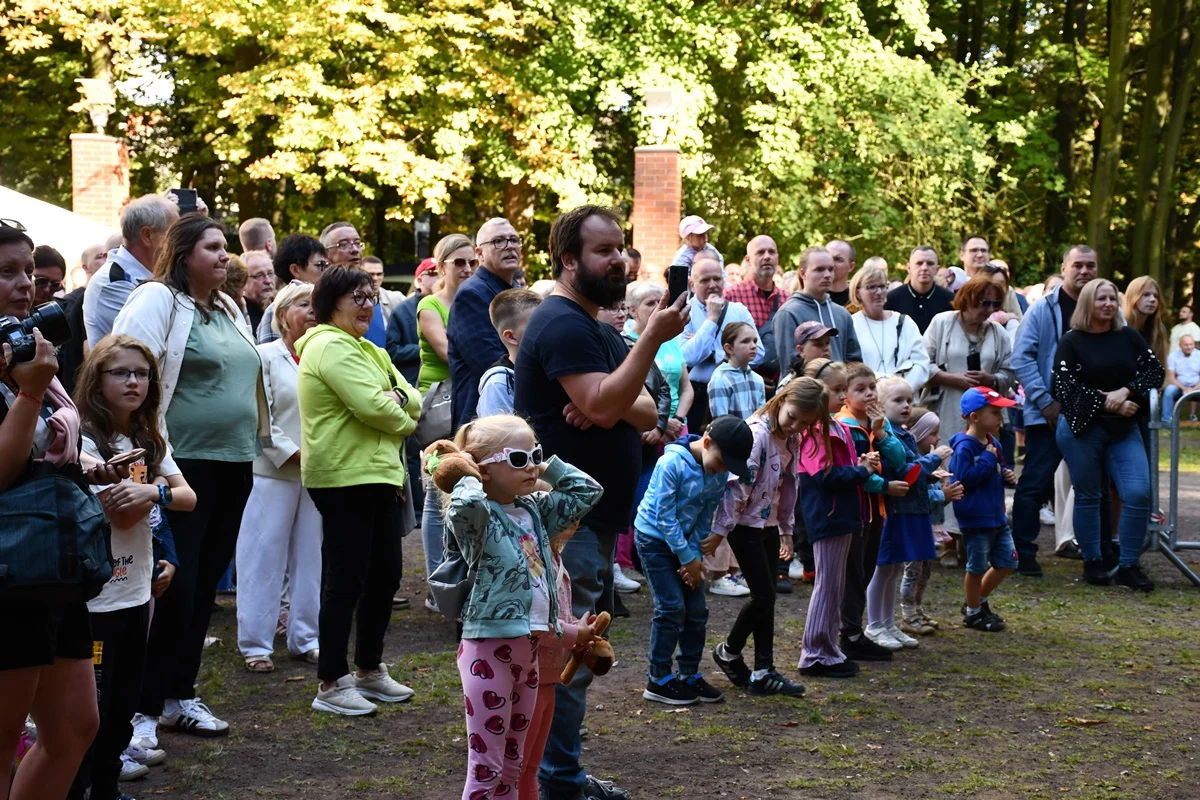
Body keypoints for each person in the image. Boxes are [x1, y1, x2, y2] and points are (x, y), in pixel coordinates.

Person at [515, 205, 688, 800]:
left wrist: (611, 398)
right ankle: (559, 780)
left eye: (620, 248)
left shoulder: (594, 327)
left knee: (578, 652)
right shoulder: (564, 324)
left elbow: (647, 407)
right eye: (602, 251)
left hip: (594, 522)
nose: (617, 259)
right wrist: (645, 346)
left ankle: (556, 773)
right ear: (569, 260)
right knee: (571, 654)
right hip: (571, 523)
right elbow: (611, 405)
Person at [112, 214, 267, 746]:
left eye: (225, 248)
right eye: (212, 247)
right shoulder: (157, 299)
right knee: (172, 586)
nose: (225, 256)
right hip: (180, 466)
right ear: (182, 254)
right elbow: (126, 368)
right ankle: (142, 714)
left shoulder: (228, 305)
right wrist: (150, 456)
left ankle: (180, 695)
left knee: (203, 589)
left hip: (234, 462)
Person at [0, 223, 123, 800]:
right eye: (7, 274)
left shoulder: (26, 350)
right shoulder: (27, 371)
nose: (25, 285)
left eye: (27, 271)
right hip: (9, 571)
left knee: (76, 726)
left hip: (53, 567)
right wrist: (28, 393)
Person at [426, 416, 603, 800]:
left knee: (513, 763)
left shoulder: (534, 511)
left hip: (531, 655)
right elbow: (465, 504)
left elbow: (587, 491)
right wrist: (465, 473)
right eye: (519, 458)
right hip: (488, 653)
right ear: (483, 467)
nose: (533, 466)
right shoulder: (477, 518)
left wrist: (547, 464)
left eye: (534, 454)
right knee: (486, 766)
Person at [67, 335, 196, 799]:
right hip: (95, 597)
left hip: (139, 589)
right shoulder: (80, 437)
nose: (134, 382)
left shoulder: (146, 436)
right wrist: (154, 487)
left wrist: (154, 490)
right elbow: (119, 512)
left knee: (123, 703)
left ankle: (106, 790)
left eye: (142, 374)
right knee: (90, 711)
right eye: (120, 372)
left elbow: (187, 497)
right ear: (96, 380)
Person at [294, 265, 420, 715]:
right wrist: (401, 415)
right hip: (344, 476)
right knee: (346, 579)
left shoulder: (370, 349)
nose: (368, 303)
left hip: (381, 474)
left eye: (371, 295)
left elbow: (411, 395)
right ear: (331, 304)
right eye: (357, 297)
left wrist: (398, 405)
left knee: (385, 576)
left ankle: (369, 670)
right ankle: (331, 681)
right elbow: (378, 408)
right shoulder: (329, 345)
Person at [1051, 279, 1163, 592]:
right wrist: (1110, 402)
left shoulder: (1129, 337)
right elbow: (1063, 386)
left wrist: (1126, 391)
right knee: (1089, 494)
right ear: (1088, 303)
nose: (1108, 304)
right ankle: (1093, 561)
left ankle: (1128, 564)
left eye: (1112, 299)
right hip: (1081, 429)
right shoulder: (1071, 341)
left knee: (1138, 492)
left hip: (1123, 429)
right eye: (1101, 299)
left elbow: (1154, 372)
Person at [635, 415, 753, 705]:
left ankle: (689, 673)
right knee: (671, 607)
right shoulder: (671, 463)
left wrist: (695, 556)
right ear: (708, 442)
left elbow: (705, 514)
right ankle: (658, 678)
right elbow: (664, 517)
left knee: (696, 610)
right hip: (655, 540)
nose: (723, 470)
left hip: (686, 545)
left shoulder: (719, 474)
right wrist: (687, 558)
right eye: (723, 462)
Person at [236, 282, 322, 672]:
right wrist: (292, 452)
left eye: (316, 304)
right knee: (262, 556)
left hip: (320, 471)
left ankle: (306, 637)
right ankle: (256, 644)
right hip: (274, 470)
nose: (312, 311)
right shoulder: (264, 355)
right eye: (303, 304)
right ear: (282, 313)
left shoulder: (323, 354)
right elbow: (259, 415)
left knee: (311, 556)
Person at [710, 385, 816, 697]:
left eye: (806, 423)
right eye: (793, 417)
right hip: (745, 525)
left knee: (767, 598)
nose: (796, 426)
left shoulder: (792, 438)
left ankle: (763, 669)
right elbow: (738, 484)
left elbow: (788, 486)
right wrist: (721, 530)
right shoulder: (758, 434)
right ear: (781, 401)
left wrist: (786, 528)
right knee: (764, 596)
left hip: (768, 524)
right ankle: (728, 652)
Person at [1010, 245, 1100, 575]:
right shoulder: (1043, 309)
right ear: (1064, 268)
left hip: (1093, 414)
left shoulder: (1104, 308)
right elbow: (1022, 357)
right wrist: (1044, 401)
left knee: (1093, 485)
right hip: (1048, 413)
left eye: (1091, 265)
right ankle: (1023, 551)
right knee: (1035, 482)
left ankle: (1095, 553)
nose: (1085, 271)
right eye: (1078, 265)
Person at [795, 372, 876, 678]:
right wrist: (862, 471)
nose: (843, 396)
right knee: (827, 586)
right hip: (828, 517)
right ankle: (814, 653)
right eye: (837, 390)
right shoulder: (815, 432)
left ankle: (828, 649)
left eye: (845, 390)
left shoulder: (836, 427)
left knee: (835, 585)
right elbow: (823, 477)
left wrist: (861, 467)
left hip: (842, 516)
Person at [864, 378, 954, 650]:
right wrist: (934, 458)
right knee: (882, 569)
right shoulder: (884, 434)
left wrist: (928, 475)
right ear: (879, 406)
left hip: (908, 509)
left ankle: (889, 623)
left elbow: (913, 471)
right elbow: (906, 469)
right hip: (893, 510)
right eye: (898, 400)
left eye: (909, 400)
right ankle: (875, 625)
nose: (906, 406)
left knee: (893, 570)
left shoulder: (902, 433)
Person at [834, 364, 909, 662]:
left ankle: (853, 629)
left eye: (871, 388)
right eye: (860, 389)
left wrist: (882, 433)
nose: (868, 394)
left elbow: (899, 457)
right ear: (844, 395)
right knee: (852, 573)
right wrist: (885, 486)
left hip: (876, 510)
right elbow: (853, 470)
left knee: (865, 569)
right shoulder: (844, 425)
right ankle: (849, 633)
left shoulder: (878, 423)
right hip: (854, 509)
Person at [948, 388, 1019, 631]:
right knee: (976, 567)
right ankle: (973, 612)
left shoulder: (993, 442)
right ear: (975, 417)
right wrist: (989, 461)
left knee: (1008, 562)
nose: (1000, 417)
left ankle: (978, 601)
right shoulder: (965, 447)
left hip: (996, 515)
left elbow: (998, 469)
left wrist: (1006, 474)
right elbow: (963, 478)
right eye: (995, 412)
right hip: (975, 519)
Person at [922, 277, 1015, 450]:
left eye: (995, 304)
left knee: (982, 461)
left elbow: (1010, 373)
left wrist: (991, 379)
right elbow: (921, 364)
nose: (990, 309)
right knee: (948, 457)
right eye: (985, 303)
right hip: (947, 407)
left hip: (985, 412)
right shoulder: (942, 323)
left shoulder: (998, 332)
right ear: (968, 298)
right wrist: (950, 378)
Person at [448, 218, 521, 430]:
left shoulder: (517, 290)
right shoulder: (471, 294)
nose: (509, 246)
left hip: (515, 410)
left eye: (514, 240)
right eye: (498, 241)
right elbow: (489, 362)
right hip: (484, 420)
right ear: (479, 254)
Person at [680, 255, 764, 432]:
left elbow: (759, 353)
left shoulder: (738, 310)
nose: (712, 285)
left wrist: (713, 353)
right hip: (697, 396)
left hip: (735, 389)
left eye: (717, 279)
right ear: (692, 284)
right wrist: (712, 319)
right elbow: (687, 357)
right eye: (705, 280)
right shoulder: (684, 311)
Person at [84, 194, 180, 346]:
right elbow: (168, 338)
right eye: (173, 235)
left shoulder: (134, 275)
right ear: (147, 235)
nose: (178, 244)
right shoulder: (113, 282)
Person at [898, 408, 961, 634]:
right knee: (912, 571)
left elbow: (932, 500)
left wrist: (945, 494)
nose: (938, 438)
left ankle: (917, 607)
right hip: (916, 525)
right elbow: (917, 495)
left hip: (931, 525)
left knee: (925, 571)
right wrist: (942, 495)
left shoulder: (932, 464)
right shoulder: (917, 463)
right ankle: (907, 614)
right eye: (933, 433)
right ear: (919, 434)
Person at [773, 246, 862, 370]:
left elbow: (854, 362)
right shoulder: (788, 313)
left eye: (831, 269)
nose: (827, 275)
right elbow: (791, 366)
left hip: (841, 388)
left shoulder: (842, 313)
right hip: (807, 388)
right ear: (803, 273)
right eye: (819, 270)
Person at [850, 264, 931, 393]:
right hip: (868, 399)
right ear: (858, 292)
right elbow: (850, 367)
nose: (879, 292)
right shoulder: (851, 324)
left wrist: (902, 389)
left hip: (903, 400)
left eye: (882, 286)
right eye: (871, 287)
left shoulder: (904, 323)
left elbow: (921, 364)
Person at [724, 235, 789, 387]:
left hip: (780, 386)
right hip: (742, 385)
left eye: (771, 252)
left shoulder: (788, 300)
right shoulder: (731, 296)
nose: (767, 257)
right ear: (748, 260)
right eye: (760, 253)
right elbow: (722, 346)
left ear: (777, 258)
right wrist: (752, 378)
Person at [418, 234, 476, 393]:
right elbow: (447, 353)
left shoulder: (480, 303)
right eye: (459, 262)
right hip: (440, 397)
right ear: (442, 266)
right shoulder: (429, 304)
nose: (468, 269)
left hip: (471, 389)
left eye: (473, 262)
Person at [477, 288, 542, 418]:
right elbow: (497, 436)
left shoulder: (548, 368)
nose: (547, 328)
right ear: (511, 337)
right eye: (537, 324)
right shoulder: (498, 385)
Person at [257, 233, 329, 344]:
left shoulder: (326, 304)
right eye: (320, 265)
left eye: (326, 266)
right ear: (295, 270)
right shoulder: (276, 310)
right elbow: (271, 359)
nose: (325, 272)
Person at [885, 246, 955, 334]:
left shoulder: (950, 300)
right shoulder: (892, 299)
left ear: (937, 270)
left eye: (930, 263)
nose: (924, 268)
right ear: (909, 268)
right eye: (919, 263)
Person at [707, 322, 765, 420]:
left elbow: (761, 419)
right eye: (746, 341)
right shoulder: (721, 379)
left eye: (755, 341)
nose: (753, 346)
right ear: (729, 348)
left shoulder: (758, 379)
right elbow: (721, 422)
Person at [1123, 276, 1168, 366]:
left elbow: (1160, 368)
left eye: (1156, 296)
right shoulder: (1119, 327)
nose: (1152, 299)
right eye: (1146, 294)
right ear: (1133, 297)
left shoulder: (1159, 330)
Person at [1163, 335, 1200, 423]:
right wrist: (1184, 388)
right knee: (1168, 391)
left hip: (1197, 386)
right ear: (1180, 345)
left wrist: (1193, 389)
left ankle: (1193, 416)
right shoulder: (1173, 356)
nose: (1189, 347)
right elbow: (1171, 377)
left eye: (1191, 344)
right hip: (1179, 386)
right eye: (1186, 345)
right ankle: (1166, 421)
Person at [362, 255, 404, 328]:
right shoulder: (351, 299)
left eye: (379, 274)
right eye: (371, 274)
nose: (375, 278)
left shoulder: (396, 298)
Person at [241, 249, 276, 333]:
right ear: (243, 280)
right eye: (259, 275)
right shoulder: (240, 315)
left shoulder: (281, 309)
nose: (268, 281)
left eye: (270, 273)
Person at [826, 239, 856, 306]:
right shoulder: (811, 298)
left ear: (851, 266)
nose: (831, 264)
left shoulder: (859, 300)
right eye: (827, 257)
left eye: (838, 259)